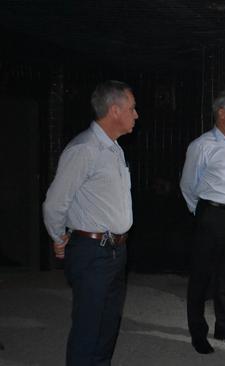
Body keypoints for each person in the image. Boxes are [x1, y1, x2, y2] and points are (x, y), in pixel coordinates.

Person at [42, 80, 137, 365]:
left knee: (108, 326)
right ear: (114, 110)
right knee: (88, 328)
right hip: (92, 252)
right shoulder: (84, 149)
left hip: (116, 251)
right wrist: (59, 239)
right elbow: (55, 203)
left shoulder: (115, 149)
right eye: (132, 108)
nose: (136, 114)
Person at [179, 90, 225, 353]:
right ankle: (198, 332)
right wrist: (202, 214)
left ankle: (224, 326)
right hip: (212, 216)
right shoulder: (202, 145)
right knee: (201, 275)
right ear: (222, 113)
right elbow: (188, 185)